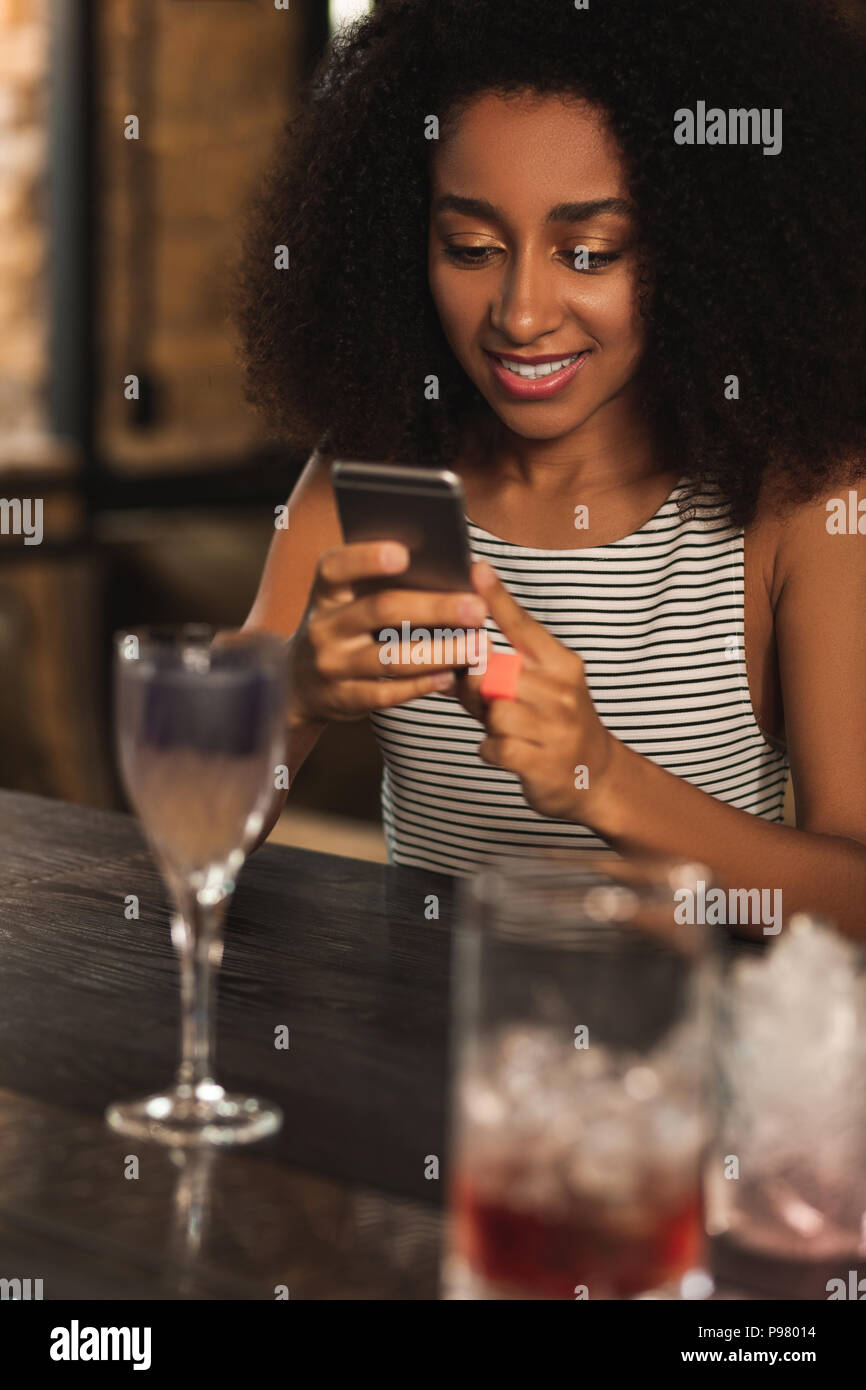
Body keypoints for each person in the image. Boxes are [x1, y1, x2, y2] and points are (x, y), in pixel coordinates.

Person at [230, 0, 866, 934]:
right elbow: (191, 836)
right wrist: (290, 698)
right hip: (427, 1060)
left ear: (701, 250)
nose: (521, 313)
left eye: (590, 251)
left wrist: (601, 776)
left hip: (689, 1062)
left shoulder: (803, 500)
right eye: (472, 249)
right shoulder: (369, 478)